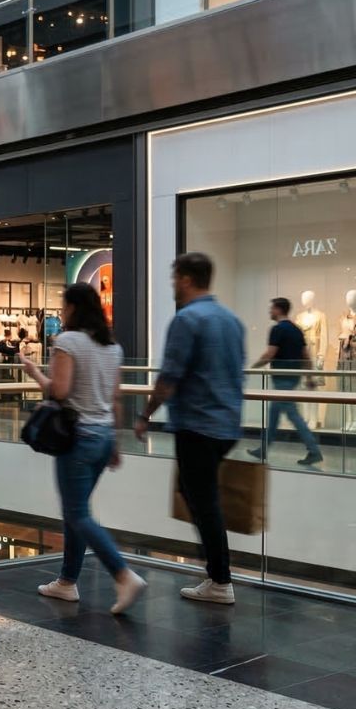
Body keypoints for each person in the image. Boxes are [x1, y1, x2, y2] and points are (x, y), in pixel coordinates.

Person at [22, 283, 147, 614]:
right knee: (75, 511)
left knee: (77, 513)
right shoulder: (112, 347)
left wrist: (35, 372)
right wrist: (116, 444)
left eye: (64, 307)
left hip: (78, 438)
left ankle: (123, 574)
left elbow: (59, 392)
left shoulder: (68, 342)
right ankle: (66, 583)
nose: (62, 313)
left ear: (74, 308)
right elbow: (116, 398)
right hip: (104, 436)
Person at [135, 252, 245, 605]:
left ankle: (220, 579)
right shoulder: (231, 320)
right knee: (197, 493)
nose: (172, 285)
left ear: (184, 279)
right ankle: (217, 574)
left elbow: (169, 377)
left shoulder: (187, 319)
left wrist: (145, 414)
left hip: (198, 423)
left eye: (173, 278)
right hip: (226, 424)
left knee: (204, 500)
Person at [250, 297, 323, 466]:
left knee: (293, 415)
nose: (270, 311)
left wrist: (251, 368)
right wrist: (309, 377)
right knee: (274, 414)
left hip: (282, 379)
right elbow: (306, 356)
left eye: (272, 308)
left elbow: (269, 354)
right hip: (291, 377)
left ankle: (314, 451)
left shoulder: (277, 329)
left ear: (278, 310)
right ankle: (263, 448)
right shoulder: (296, 330)